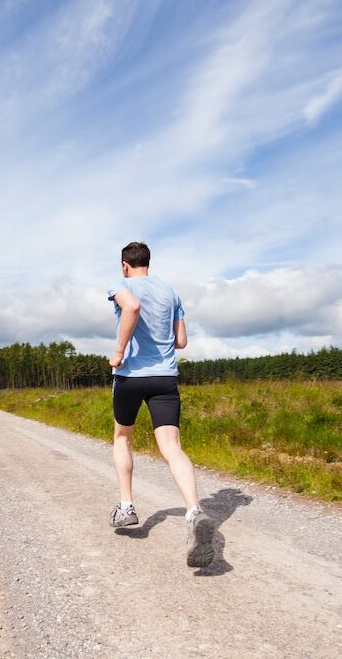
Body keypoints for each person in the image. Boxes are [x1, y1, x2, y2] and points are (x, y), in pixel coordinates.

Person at [107, 241, 214, 567]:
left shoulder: (121, 286)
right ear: (148, 263)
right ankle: (194, 511)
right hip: (165, 378)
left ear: (125, 265)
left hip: (130, 377)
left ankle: (126, 507)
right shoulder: (170, 292)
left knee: (123, 436)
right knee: (171, 447)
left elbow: (132, 308)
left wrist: (120, 351)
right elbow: (181, 341)